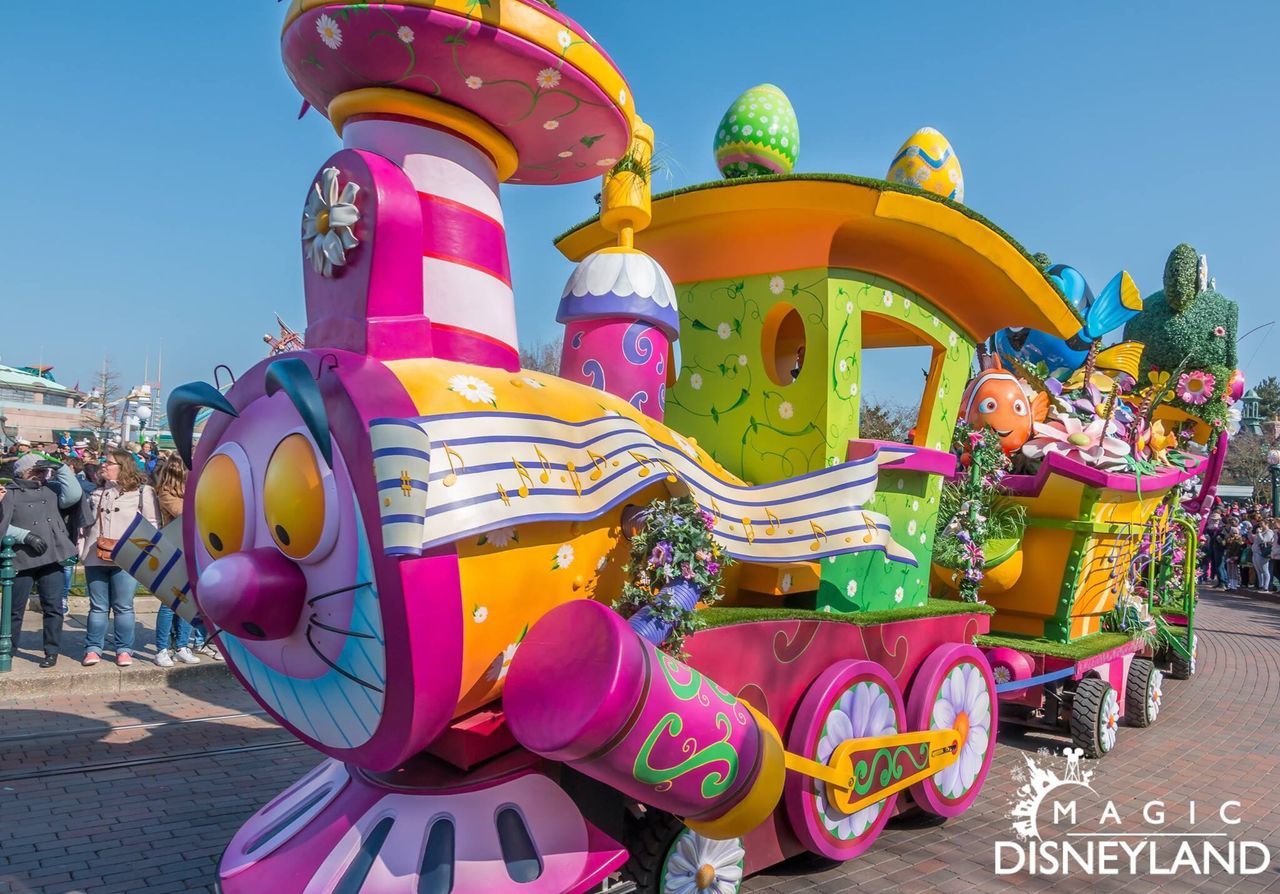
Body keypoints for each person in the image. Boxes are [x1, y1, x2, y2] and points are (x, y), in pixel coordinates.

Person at [0, 454, 82, 667]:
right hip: (22, 558)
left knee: (53, 606)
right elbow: (1, 525)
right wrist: (25, 536)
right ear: (23, 472)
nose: (42, 475)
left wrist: (61, 467)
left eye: (43, 471)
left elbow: (74, 495)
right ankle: (8, 649)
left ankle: (51, 651)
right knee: (14, 609)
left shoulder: (51, 489)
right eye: (37, 470)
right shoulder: (9, 493)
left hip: (51, 557)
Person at [80, 449, 158, 667]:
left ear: (123, 467)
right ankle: (93, 648)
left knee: (123, 605)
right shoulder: (96, 492)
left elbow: (152, 525)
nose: (103, 465)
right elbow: (85, 525)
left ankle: (124, 649)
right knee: (98, 606)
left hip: (127, 557)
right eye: (103, 461)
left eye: (109, 462)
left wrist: (142, 552)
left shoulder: (143, 492)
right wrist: (81, 549)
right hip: (96, 555)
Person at [150, 453, 202, 666]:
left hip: (192, 550)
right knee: (169, 603)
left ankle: (181, 645)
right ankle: (162, 648)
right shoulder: (166, 493)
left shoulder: (192, 492)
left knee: (189, 602)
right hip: (172, 550)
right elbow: (185, 514)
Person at [1252, 519, 1273, 592]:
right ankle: (1260, 586)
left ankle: (1265, 587)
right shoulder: (1261, 532)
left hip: (1262, 553)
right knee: (1258, 571)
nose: (1260, 525)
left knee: (1265, 570)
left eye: (1262, 523)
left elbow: (1263, 541)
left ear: (1266, 524)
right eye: (1260, 524)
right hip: (1255, 552)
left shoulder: (1269, 532)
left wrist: (1259, 533)